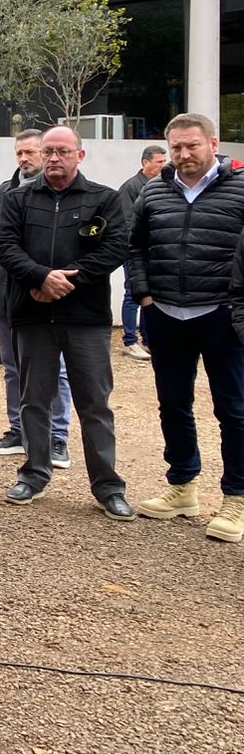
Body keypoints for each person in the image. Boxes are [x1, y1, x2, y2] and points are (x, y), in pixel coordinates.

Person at [0, 126, 133, 519]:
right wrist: (39, 277)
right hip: (32, 314)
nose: (54, 158)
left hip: (85, 318)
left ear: (79, 156)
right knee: (33, 400)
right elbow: (4, 245)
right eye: (48, 151)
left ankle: (108, 486)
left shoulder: (104, 199)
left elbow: (115, 248)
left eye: (63, 151)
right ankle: (34, 474)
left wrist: (65, 280)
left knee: (95, 404)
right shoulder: (17, 199)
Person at [128, 113, 244, 542]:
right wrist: (144, 294)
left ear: (213, 143)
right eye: (176, 147)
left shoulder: (240, 187)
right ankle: (182, 486)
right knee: (173, 404)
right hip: (166, 315)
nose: (184, 154)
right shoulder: (154, 190)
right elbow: (136, 246)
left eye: (192, 145)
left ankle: (236, 498)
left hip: (221, 315)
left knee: (234, 409)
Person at [0, 130, 73, 464]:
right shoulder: (6, 190)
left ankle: (57, 437)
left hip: (48, 297)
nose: (24, 158)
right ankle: (19, 431)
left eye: (31, 152)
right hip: (7, 296)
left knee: (56, 369)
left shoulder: (62, 194)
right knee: (12, 367)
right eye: (19, 152)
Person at [117, 143, 166, 361]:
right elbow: (125, 222)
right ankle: (129, 341)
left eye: (164, 162)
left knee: (150, 294)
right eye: (159, 162)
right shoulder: (131, 187)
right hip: (134, 252)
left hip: (155, 252)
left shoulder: (162, 185)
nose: (163, 166)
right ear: (146, 162)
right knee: (132, 294)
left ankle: (148, 339)